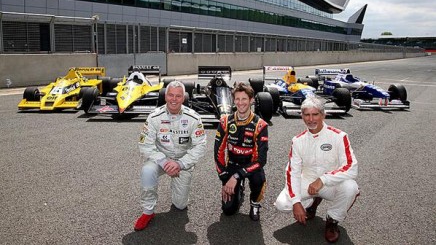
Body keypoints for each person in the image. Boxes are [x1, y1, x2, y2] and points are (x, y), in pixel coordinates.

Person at [274, 96, 359, 243]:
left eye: (315, 114)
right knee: (283, 204)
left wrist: (323, 179)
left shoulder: (339, 136)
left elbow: (352, 167)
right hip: (308, 182)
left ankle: (332, 220)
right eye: (307, 115)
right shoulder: (297, 141)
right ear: (302, 116)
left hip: (330, 184)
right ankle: (312, 202)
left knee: (351, 187)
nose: (311, 119)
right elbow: (292, 172)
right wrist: (296, 203)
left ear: (323, 115)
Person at [134, 80, 207, 231]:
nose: (174, 99)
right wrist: (163, 161)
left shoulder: (194, 118)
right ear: (165, 96)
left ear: (183, 98)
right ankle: (148, 211)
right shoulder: (154, 117)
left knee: (180, 205)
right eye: (171, 95)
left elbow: (200, 146)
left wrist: (180, 164)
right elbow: (145, 144)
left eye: (178, 96)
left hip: (183, 162)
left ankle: (177, 186)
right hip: (160, 159)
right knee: (147, 170)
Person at [214, 82, 268, 221]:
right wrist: (225, 177)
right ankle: (238, 188)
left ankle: (255, 203)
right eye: (237, 99)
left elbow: (261, 160)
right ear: (233, 100)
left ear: (251, 100)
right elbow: (218, 152)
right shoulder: (225, 121)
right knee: (228, 210)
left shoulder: (260, 125)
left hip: (252, 165)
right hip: (232, 163)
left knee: (258, 179)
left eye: (244, 99)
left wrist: (237, 176)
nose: (240, 102)